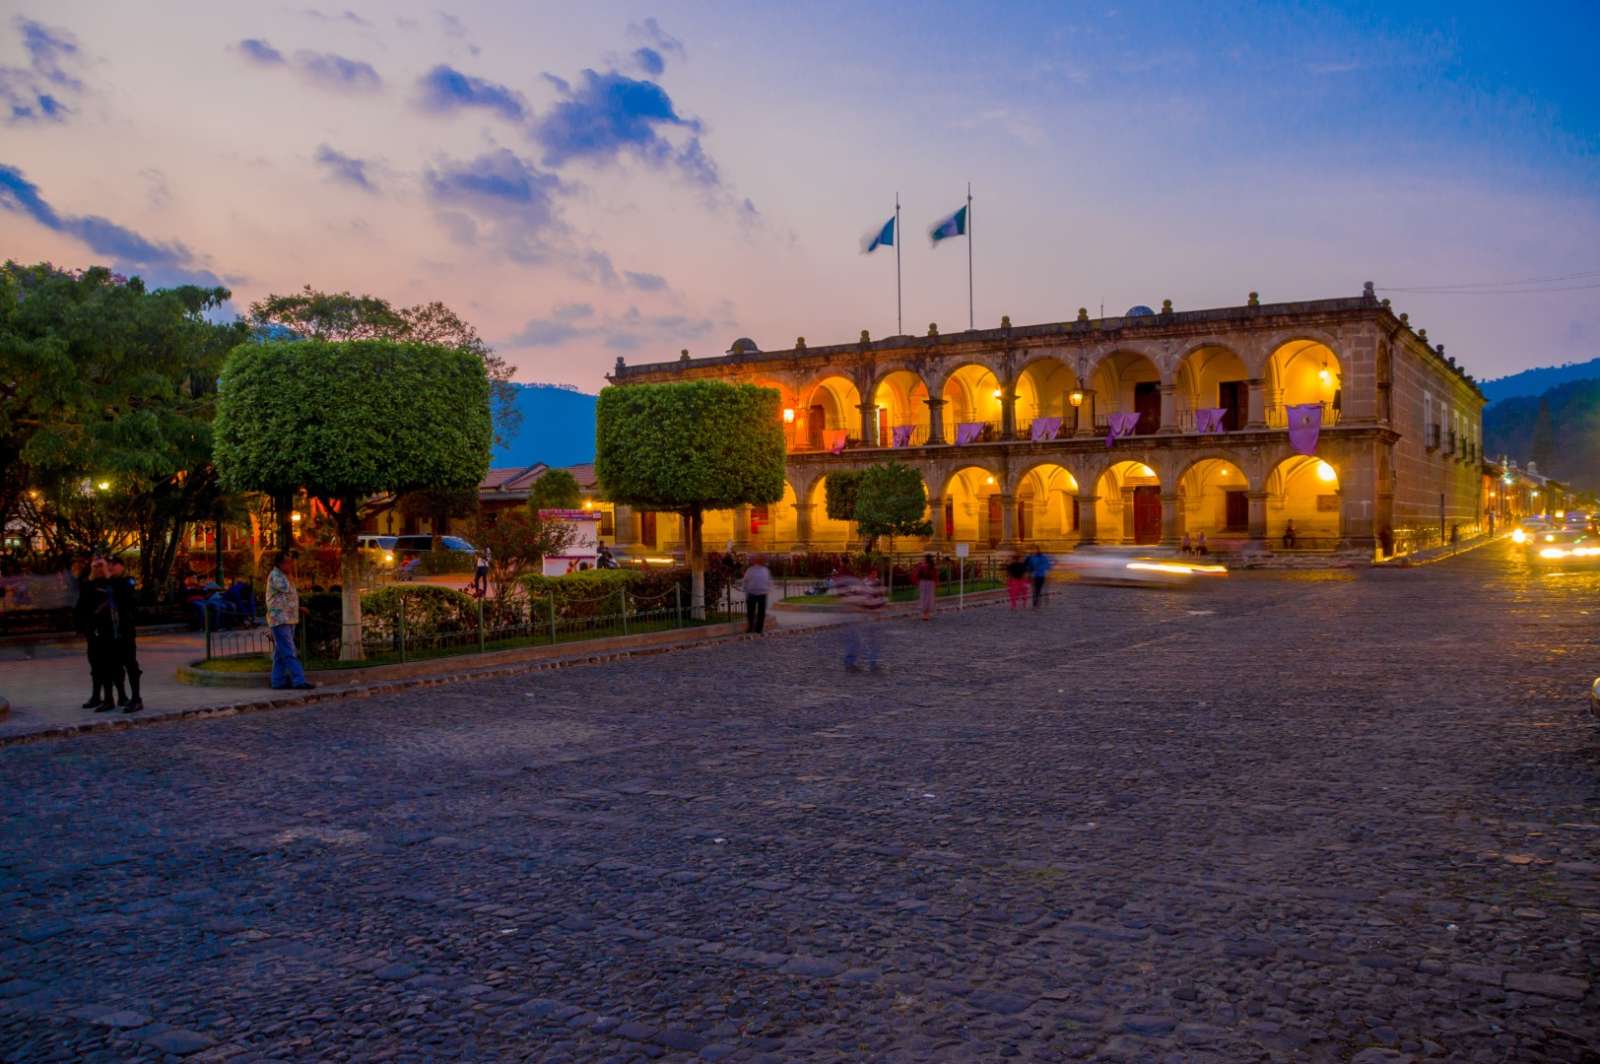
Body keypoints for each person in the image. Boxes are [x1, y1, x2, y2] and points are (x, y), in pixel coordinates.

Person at [74, 555, 118, 712]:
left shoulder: (112, 583)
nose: (99, 569)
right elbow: (82, 598)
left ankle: (109, 698)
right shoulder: (89, 583)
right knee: (95, 664)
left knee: (107, 665)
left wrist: (106, 571)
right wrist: (92, 572)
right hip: (93, 629)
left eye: (101, 567)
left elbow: (116, 593)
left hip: (108, 629)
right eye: (96, 567)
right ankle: (95, 696)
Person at [266, 550, 315, 691]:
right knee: (288, 651)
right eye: (288, 562)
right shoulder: (277, 576)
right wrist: (289, 574)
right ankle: (299, 680)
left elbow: (286, 598)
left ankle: (277, 681)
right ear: (280, 563)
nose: (291, 565)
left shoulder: (282, 575)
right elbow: (285, 589)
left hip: (288, 618)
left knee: (280, 652)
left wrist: (298, 608)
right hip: (280, 619)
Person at [107, 557, 143, 713]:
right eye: (108, 565)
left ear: (121, 566)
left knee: (130, 664)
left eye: (113, 565)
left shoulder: (128, 582)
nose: (110, 568)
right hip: (109, 631)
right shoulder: (104, 583)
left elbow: (127, 599)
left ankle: (136, 698)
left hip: (125, 630)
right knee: (114, 664)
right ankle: (122, 695)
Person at [834, 568, 887, 672]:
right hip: (862, 616)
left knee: (871, 641)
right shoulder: (862, 585)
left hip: (868, 616)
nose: (875, 575)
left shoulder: (877, 583)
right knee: (856, 641)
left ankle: (871, 663)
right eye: (873, 573)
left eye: (876, 573)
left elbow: (878, 598)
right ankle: (851, 664)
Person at [741, 553, 772, 634]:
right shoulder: (764, 570)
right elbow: (769, 582)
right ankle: (758, 628)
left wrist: (745, 589)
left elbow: (745, 581)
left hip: (754, 593)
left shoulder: (751, 570)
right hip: (759, 593)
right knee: (759, 613)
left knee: (752, 612)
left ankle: (752, 627)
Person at [913, 553, 938, 621]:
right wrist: (936, 583)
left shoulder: (922, 566)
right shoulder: (932, 567)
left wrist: (917, 582)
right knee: (929, 598)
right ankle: (926, 614)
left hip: (923, 583)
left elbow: (918, 575)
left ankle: (925, 614)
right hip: (930, 583)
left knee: (923, 598)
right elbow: (935, 576)